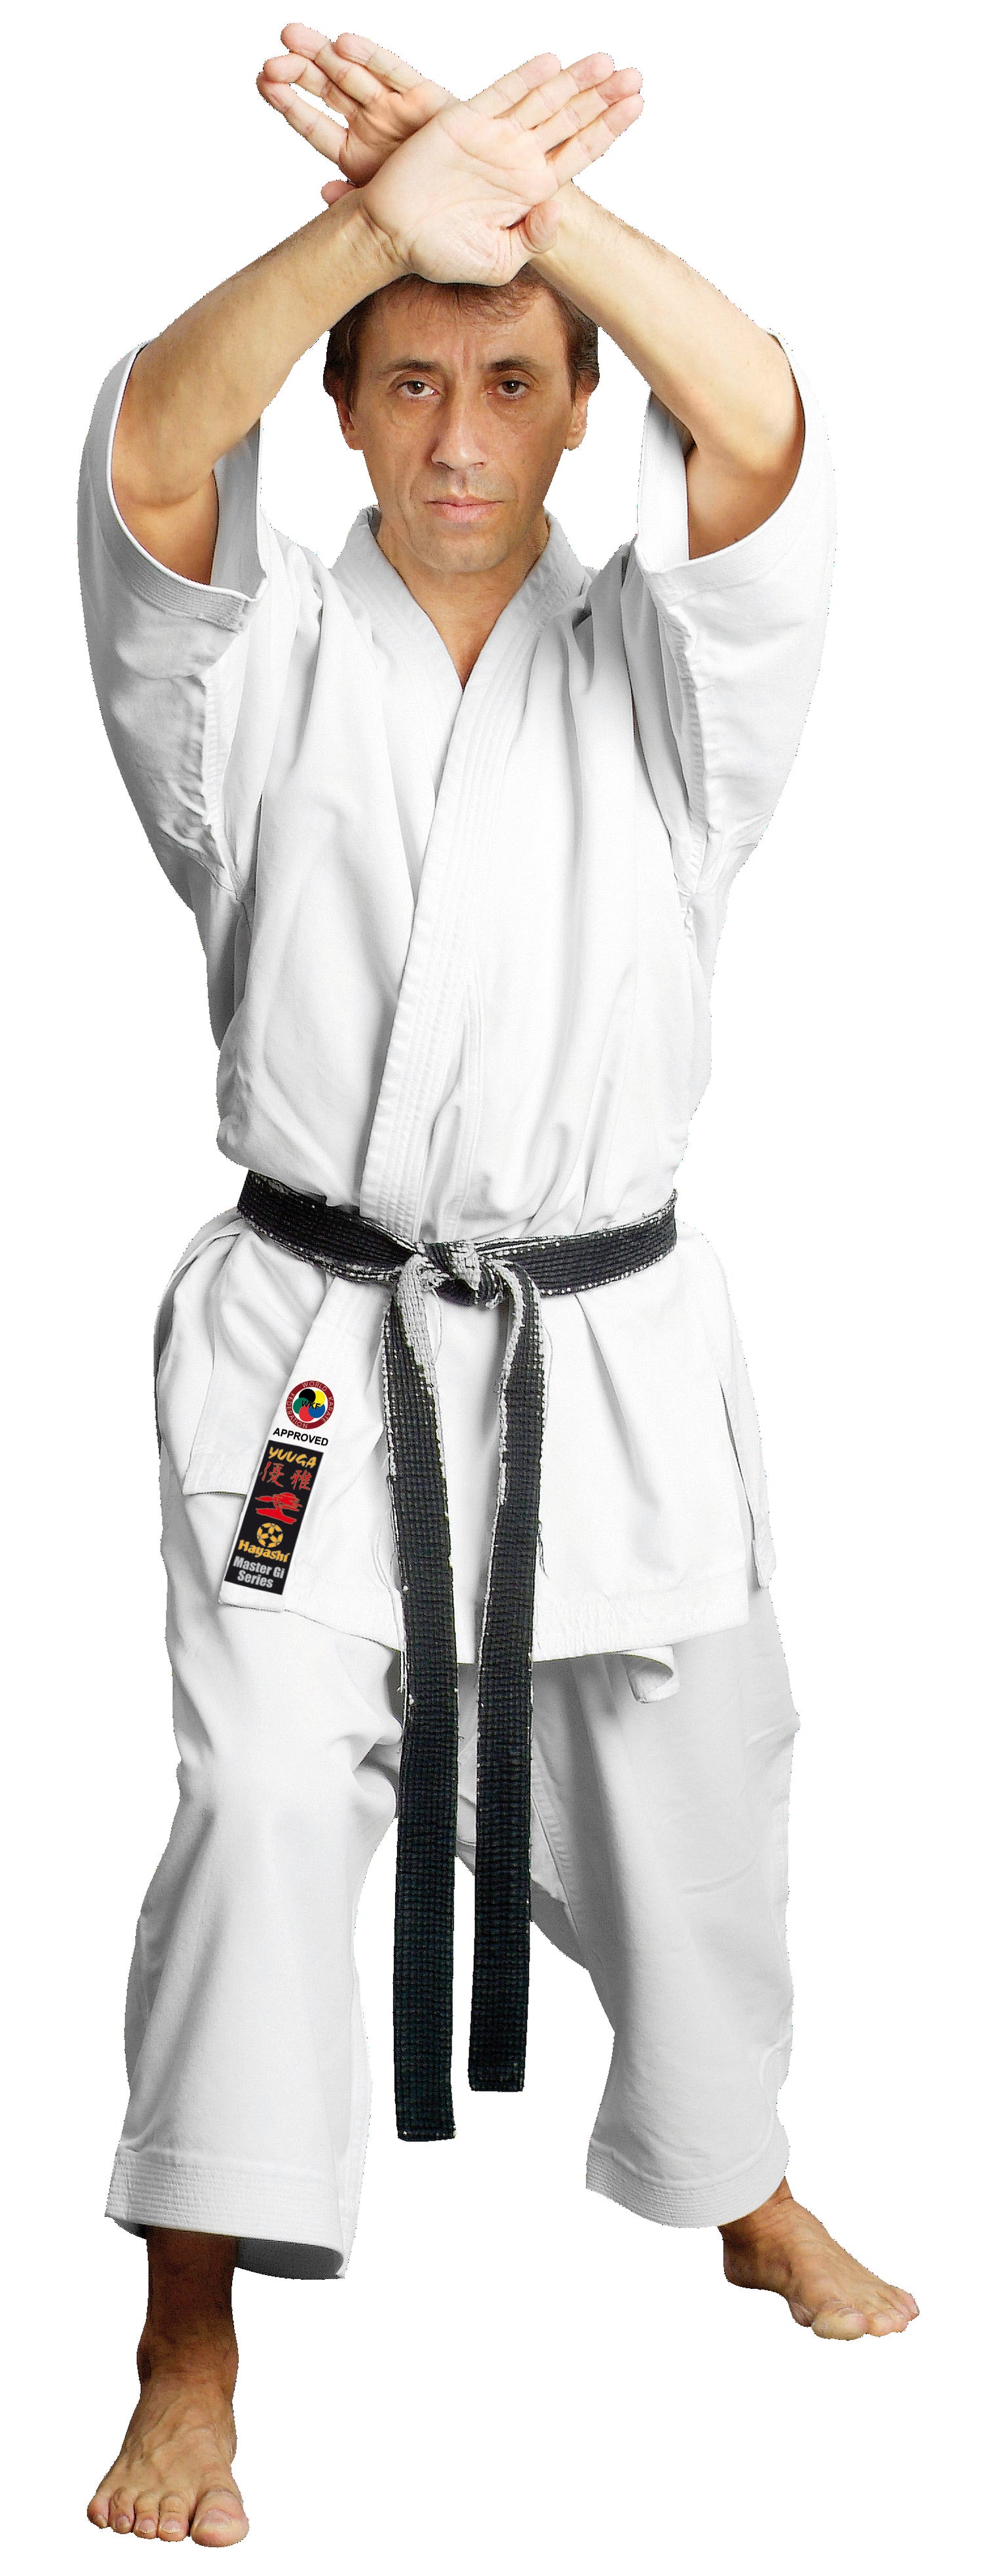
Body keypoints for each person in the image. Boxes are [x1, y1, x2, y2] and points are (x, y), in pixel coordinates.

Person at [77, 26, 918, 2548]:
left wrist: (517, 213)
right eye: (413, 379)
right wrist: (376, 221)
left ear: (578, 415)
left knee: (704, 1803)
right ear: (344, 412)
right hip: (313, 1362)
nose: (461, 432)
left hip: (609, 1348)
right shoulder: (245, 671)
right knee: (256, 1801)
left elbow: (762, 424)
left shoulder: (673, 676)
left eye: (517, 381)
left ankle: (734, 2172)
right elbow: (150, 453)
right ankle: (190, 2335)